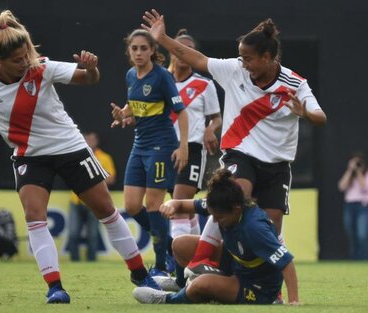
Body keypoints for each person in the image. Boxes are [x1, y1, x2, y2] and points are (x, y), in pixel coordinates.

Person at [0, 10, 159, 304]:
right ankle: (55, 287)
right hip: (30, 156)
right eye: (17, 59)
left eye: (26, 53)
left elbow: (87, 79)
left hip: (70, 147)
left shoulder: (42, 67)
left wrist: (90, 68)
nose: (26, 61)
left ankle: (141, 274)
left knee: (106, 210)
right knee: (34, 218)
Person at [142, 10, 326, 282]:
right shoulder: (234, 70)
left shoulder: (294, 84)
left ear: (267, 57)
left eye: (249, 58)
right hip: (240, 153)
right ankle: (202, 259)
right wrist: (164, 39)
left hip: (276, 165)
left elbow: (321, 117)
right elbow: (198, 59)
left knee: (269, 228)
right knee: (234, 195)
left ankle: (266, 286)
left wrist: (306, 113)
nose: (243, 62)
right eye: (241, 56)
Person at [133, 169, 300, 305]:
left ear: (236, 209)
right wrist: (171, 204)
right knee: (180, 244)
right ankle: (181, 284)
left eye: (219, 218)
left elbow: (286, 262)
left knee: (202, 284)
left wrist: (293, 301)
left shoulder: (254, 228)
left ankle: (167, 299)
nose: (214, 220)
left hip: (257, 287)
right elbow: (183, 204)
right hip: (236, 263)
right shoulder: (223, 203)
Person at [110, 29, 189, 277]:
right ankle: (172, 251)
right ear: (128, 51)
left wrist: (183, 145)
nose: (139, 53)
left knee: (153, 205)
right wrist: (123, 115)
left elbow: (182, 112)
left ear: (153, 50)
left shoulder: (163, 76)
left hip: (161, 146)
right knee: (132, 206)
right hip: (139, 145)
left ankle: (162, 266)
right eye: (134, 48)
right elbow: (134, 105)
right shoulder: (131, 75)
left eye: (144, 48)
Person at [157, 28, 222, 290]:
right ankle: (196, 267)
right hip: (164, 149)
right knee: (182, 211)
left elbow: (216, 117)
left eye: (187, 50)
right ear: (171, 50)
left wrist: (210, 129)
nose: (182, 55)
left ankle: (180, 275)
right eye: (177, 48)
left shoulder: (204, 84)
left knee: (177, 206)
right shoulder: (161, 81)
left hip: (193, 149)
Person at [67, 132, 117, 261]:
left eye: (91, 139)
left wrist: (92, 178)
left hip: (94, 201)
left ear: (97, 141)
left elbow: (111, 178)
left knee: (93, 234)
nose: (89, 141)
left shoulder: (105, 157)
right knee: (72, 234)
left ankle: (91, 261)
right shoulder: (75, 156)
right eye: (86, 139)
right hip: (76, 200)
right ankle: (74, 262)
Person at [338, 152, 368, 260]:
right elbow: (341, 186)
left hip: (364, 207)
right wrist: (350, 170)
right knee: (351, 234)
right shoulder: (350, 176)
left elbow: (366, 188)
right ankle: (354, 259)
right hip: (350, 206)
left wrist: (359, 172)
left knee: (362, 235)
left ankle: (364, 259)